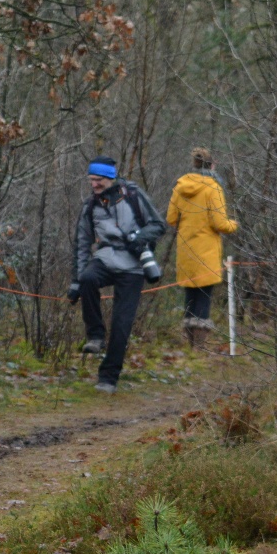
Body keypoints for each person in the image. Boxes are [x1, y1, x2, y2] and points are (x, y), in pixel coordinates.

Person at [69, 156, 167, 393]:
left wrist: (138, 239)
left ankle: (108, 378)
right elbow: (82, 244)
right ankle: (95, 336)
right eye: (91, 180)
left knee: (122, 325)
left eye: (98, 180)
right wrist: (75, 281)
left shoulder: (133, 196)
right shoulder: (90, 205)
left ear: (110, 178)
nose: (94, 185)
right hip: (104, 259)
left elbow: (158, 225)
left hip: (133, 266)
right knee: (88, 280)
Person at [166, 147, 239, 349]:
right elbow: (219, 223)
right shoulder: (213, 188)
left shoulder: (181, 186)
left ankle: (191, 343)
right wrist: (234, 224)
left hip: (186, 248)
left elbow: (171, 218)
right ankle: (199, 346)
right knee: (204, 295)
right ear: (212, 165)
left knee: (190, 294)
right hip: (206, 249)